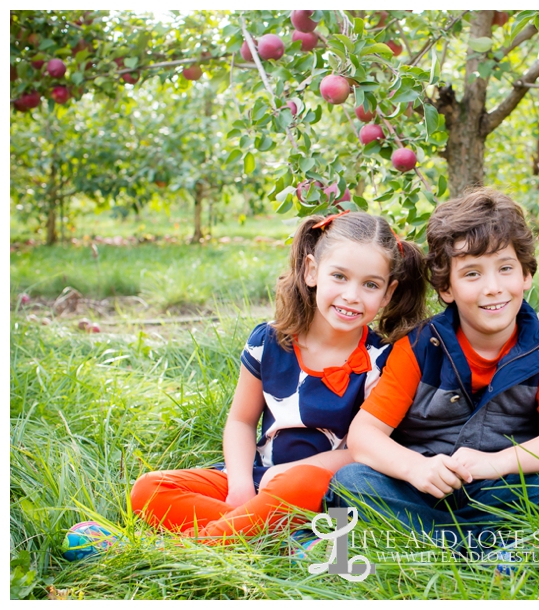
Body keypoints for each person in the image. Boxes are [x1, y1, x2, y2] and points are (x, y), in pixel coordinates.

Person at [126, 210, 427, 542]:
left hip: (323, 490)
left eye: (370, 284)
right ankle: (275, 534)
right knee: (148, 489)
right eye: (339, 276)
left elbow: (364, 449)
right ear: (312, 271)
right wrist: (240, 486)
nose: (352, 295)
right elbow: (241, 421)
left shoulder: (382, 359)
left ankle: (203, 544)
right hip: (257, 476)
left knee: (302, 482)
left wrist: (291, 472)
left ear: (387, 293)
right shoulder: (268, 341)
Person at [330, 188, 539, 548]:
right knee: (351, 482)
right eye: (472, 274)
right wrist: (415, 469)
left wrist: (494, 463)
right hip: (421, 488)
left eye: (506, 268)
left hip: (499, 488)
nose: (493, 288)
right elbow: (363, 436)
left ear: (526, 275)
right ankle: (485, 545)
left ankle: (438, 541)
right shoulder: (419, 348)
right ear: (446, 288)